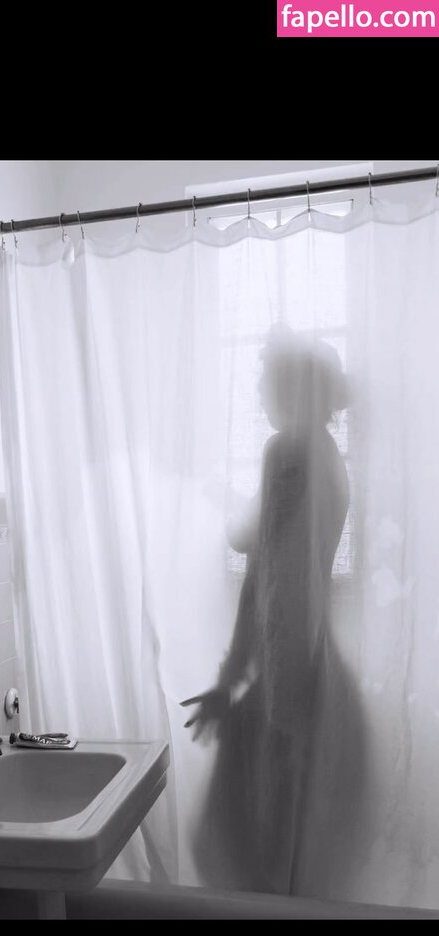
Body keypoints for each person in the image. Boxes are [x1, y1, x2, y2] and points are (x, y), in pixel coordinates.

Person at [182, 326, 364, 896]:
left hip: (291, 678)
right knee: (283, 858)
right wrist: (232, 677)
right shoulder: (325, 456)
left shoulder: (288, 450)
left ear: (289, 385)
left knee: (245, 851)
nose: (257, 390)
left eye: (265, 377)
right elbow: (267, 567)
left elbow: (251, 549)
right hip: (308, 666)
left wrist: (232, 681)